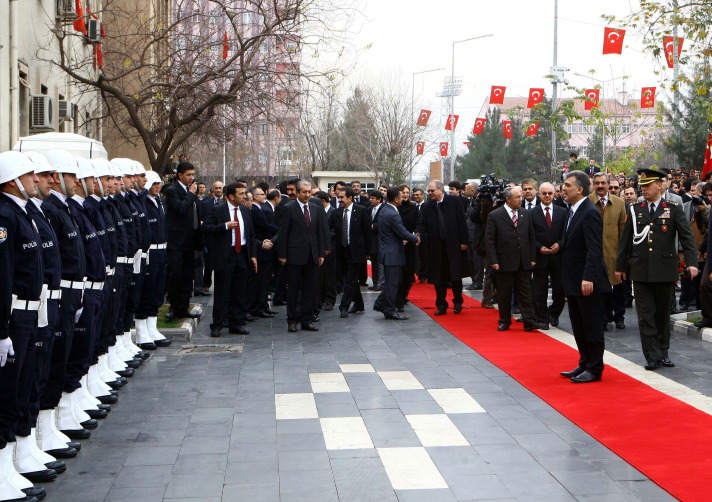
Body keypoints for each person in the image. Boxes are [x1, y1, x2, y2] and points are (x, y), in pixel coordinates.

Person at [0, 151, 51, 500]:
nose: (37, 180)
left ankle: (10, 466)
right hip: (13, 316)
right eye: (31, 175)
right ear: (13, 181)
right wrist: (2, 329)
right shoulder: (4, 217)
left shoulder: (22, 214)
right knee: (6, 395)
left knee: (22, 388)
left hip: (28, 314)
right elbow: (2, 276)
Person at [616, 169, 698, 370]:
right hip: (641, 270)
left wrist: (692, 262)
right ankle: (652, 355)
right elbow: (625, 240)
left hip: (664, 269)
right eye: (642, 186)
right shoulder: (635, 209)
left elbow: (687, 237)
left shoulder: (673, 207)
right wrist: (620, 267)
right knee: (645, 315)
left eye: (647, 185)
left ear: (659, 186)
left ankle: (663, 352)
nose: (643, 189)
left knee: (662, 314)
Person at [560, 170, 611, 383]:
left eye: (568, 186)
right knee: (578, 326)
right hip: (573, 281)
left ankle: (595, 367)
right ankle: (584, 363)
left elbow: (594, 248)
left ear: (580, 189)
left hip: (587, 282)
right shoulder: (572, 211)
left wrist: (588, 277)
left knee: (591, 326)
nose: (563, 189)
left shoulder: (589, 212)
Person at [204, 182, 259, 337]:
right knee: (222, 292)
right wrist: (224, 226)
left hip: (242, 254)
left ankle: (236, 323)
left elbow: (251, 234)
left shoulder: (245, 210)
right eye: (241, 193)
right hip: (225, 255)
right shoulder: (218, 210)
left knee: (240, 292)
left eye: (245, 193)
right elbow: (206, 228)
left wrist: (253, 255)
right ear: (231, 196)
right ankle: (217, 325)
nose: (245, 196)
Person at [484, 186, 543, 331]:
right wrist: (493, 261)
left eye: (521, 197)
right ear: (508, 199)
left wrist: (532, 257)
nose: (520, 199)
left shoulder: (525, 213)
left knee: (526, 292)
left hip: (524, 261)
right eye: (517, 197)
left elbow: (531, 237)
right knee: (504, 293)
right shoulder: (495, 215)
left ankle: (529, 321)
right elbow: (490, 241)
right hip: (504, 261)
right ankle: (504, 320)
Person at [277, 180, 326, 332]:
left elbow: (319, 233)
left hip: (312, 255)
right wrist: (283, 255)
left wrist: (321, 253)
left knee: (310, 290)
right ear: (297, 193)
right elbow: (283, 233)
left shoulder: (315, 208)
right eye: (304, 192)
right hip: (294, 255)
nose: (307, 195)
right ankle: (292, 320)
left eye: (309, 192)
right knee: (293, 289)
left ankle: (307, 319)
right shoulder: (288, 208)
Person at [416, 180, 469, 315]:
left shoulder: (454, 202)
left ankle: (458, 302)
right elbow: (422, 224)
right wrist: (418, 235)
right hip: (435, 247)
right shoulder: (427, 206)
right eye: (428, 191)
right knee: (438, 278)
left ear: (440, 190)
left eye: (432, 191)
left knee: (455, 276)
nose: (430, 193)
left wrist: (464, 241)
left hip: (454, 245)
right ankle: (441, 304)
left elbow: (462, 222)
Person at [373, 188, 419, 320]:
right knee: (393, 283)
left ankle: (380, 303)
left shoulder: (385, 210)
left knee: (391, 282)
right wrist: (415, 238)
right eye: (401, 196)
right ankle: (389, 309)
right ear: (396, 199)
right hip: (393, 253)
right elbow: (402, 231)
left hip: (389, 251)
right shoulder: (392, 214)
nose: (405, 197)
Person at [589, 173, 627, 330]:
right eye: (597, 183)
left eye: (603, 183)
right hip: (594, 253)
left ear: (608, 184)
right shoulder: (587, 202)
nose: (600, 186)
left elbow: (623, 231)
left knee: (619, 286)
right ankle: (602, 318)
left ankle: (619, 317)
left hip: (614, 253)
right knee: (599, 289)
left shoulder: (619, 203)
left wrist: (624, 254)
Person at [165, 162, 202, 320]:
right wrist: (191, 194)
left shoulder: (190, 191)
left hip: (190, 240)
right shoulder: (173, 191)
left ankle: (184, 306)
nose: (191, 178)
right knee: (176, 275)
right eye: (188, 175)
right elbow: (180, 209)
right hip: (176, 242)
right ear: (180, 175)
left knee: (188, 276)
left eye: (193, 175)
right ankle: (173, 307)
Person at [329, 187, 371, 318]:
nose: (339, 200)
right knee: (350, 279)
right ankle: (359, 304)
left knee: (350, 280)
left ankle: (344, 306)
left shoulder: (362, 211)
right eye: (338, 197)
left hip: (356, 251)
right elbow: (327, 227)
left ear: (350, 198)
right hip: (341, 251)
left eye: (342, 197)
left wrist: (368, 252)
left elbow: (367, 233)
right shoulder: (336, 213)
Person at [530, 183, 566, 328]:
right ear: (539, 194)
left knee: (560, 289)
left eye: (550, 193)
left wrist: (560, 244)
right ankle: (542, 318)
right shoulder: (532, 213)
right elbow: (530, 235)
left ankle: (554, 314)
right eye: (544, 193)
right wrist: (539, 248)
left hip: (558, 256)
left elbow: (567, 233)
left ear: (554, 194)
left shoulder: (562, 212)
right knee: (539, 289)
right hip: (540, 256)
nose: (547, 196)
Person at [248, 186, 278, 319]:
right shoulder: (255, 210)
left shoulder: (259, 208)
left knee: (265, 281)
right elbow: (266, 226)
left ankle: (263, 306)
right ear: (255, 197)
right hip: (261, 250)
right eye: (261, 194)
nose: (264, 196)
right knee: (260, 281)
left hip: (265, 249)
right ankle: (258, 307)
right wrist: (282, 230)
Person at [396, 185, 418, 311]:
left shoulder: (413, 208)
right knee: (399, 272)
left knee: (409, 272)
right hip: (398, 243)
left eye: (407, 192)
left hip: (410, 244)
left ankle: (404, 294)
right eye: (403, 192)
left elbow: (417, 224)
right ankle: (398, 296)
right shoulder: (395, 207)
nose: (405, 194)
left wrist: (411, 236)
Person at [367, 190, 384, 291]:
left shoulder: (384, 210)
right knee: (373, 262)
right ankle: (375, 282)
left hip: (380, 240)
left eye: (373, 198)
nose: (370, 200)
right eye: (370, 198)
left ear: (379, 199)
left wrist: (375, 226)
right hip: (371, 241)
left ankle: (380, 283)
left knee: (380, 263)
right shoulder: (369, 209)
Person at [413, 188, 428, 283]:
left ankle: (424, 274)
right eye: (414, 195)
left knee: (424, 256)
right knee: (415, 256)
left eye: (418, 195)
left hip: (425, 235)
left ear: (423, 195)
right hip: (414, 234)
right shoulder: (413, 206)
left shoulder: (427, 206)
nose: (416, 197)